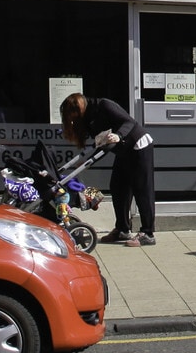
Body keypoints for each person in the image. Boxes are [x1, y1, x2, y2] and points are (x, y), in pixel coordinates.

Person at [60, 92, 156, 247]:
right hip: (123, 150)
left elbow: (128, 122)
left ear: (80, 106)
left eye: (74, 114)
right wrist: (86, 159)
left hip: (138, 144)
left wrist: (118, 135)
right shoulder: (86, 119)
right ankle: (122, 229)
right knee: (118, 187)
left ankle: (148, 233)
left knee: (142, 189)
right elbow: (101, 141)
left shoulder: (104, 105)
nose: (74, 118)